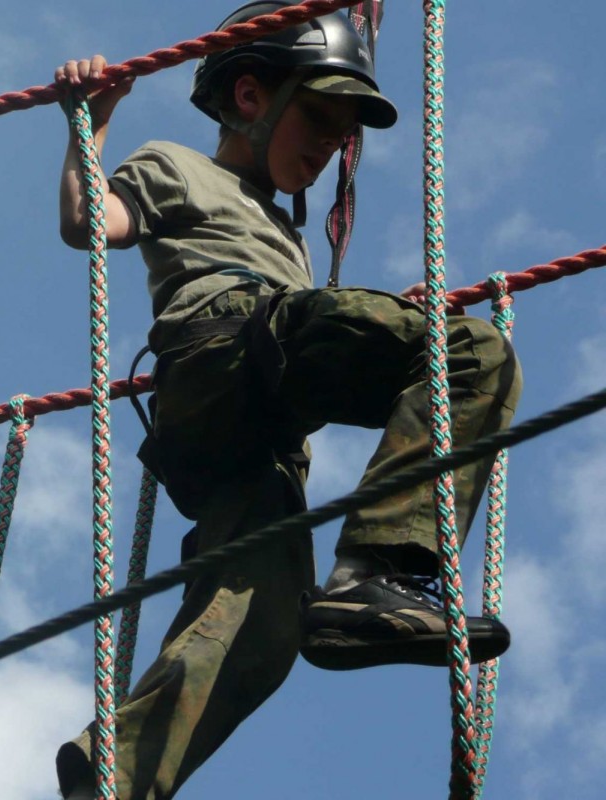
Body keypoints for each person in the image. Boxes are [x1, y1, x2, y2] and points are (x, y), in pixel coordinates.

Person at [53, 3, 522, 798]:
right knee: (472, 352)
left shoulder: (292, 238)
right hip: (225, 351)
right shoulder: (177, 166)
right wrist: (86, 128)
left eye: (345, 132)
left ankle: (118, 774)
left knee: (259, 626)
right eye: (318, 115)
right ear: (249, 97)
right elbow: (88, 222)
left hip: (256, 435)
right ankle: (381, 570)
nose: (330, 142)